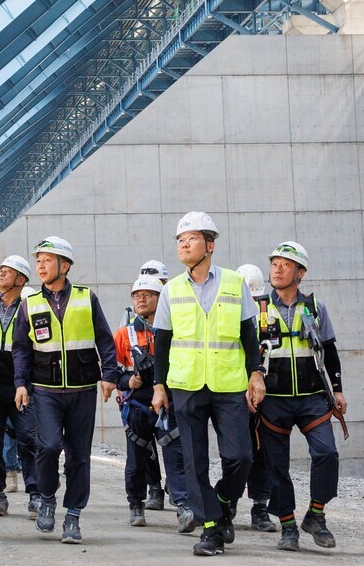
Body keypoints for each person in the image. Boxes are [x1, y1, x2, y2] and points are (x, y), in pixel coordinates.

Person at [151, 212, 265, 557]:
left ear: (210, 245)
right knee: (194, 460)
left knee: (240, 456)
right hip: (185, 385)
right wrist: (159, 386)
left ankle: (222, 498)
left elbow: (249, 334)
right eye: (180, 239)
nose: (184, 243)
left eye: (192, 238)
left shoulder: (234, 283)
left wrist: (255, 373)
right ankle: (212, 529)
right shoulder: (170, 290)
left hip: (229, 384)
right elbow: (162, 343)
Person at [12, 237, 120, 544]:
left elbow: (104, 338)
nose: (41, 266)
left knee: (79, 457)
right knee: (47, 447)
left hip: (82, 389)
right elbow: (20, 349)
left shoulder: (87, 298)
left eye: (47, 260)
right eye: (39, 261)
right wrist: (20, 384)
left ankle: (73, 516)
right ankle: (47, 496)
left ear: (65, 265)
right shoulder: (30, 304)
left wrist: (110, 374)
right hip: (44, 390)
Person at [258, 242, 347, 551]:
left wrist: (337, 389)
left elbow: (330, 350)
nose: (277, 269)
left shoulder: (314, 307)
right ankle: (287, 527)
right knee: (277, 467)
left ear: (300, 272)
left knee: (327, 453)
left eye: (285, 264)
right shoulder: (257, 308)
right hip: (273, 400)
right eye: (274, 264)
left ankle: (316, 516)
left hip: (312, 398)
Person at [113, 275, 193, 532]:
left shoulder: (174, 330)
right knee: (136, 459)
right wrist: (129, 382)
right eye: (137, 295)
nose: (141, 299)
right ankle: (136, 504)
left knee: (176, 456)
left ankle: (183, 506)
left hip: (167, 404)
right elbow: (112, 372)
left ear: (161, 299)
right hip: (136, 406)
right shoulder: (124, 335)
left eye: (148, 294)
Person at [0, 255, 42, 520]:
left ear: (21, 279)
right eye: (0, 269)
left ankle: (36, 494)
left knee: (29, 439)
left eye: (8, 271)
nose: (1, 274)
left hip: (22, 385)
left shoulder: (33, 309)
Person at [119, 259, 170, 511]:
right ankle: (154, 489)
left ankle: (176, 485)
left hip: (170, 392)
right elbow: (118, 360)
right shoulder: (129, 320)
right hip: (138, 396)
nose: (144, 297)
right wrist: (126, 383)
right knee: (143, 445)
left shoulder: (174, 311)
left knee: (176, 443)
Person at [232, 264, 276, 532]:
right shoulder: (228, 316)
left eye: (258, 298)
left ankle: (260, 506)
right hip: (236, 394)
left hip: (268, 394)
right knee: (237, 453)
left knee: (263, 451)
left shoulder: (270, 315)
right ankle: (230, 498)